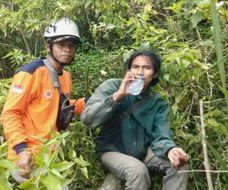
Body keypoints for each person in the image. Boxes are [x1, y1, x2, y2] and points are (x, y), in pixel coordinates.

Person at [81, 50, 190, 190]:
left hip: (143, 151)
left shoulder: (158, 103)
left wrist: (170, 149)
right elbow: (87, 119)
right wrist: (118, 95)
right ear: (129, 70)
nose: (140, 72)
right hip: (111, 150)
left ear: (155, 73)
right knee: (138, 171)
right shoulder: (112, 86)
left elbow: (161, 134)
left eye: (147, 68)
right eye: (135, 67)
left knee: (179, 164)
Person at [0, 17, 86, 180]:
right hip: (27, 158)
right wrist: (22, 150)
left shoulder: (66, 76)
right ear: (49, 46)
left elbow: (59, 106)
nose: (66, 50)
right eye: (61, 45)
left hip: (48, 157)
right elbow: (10, 114)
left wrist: (87, 102)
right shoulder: (31, 73)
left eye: (71, 46)